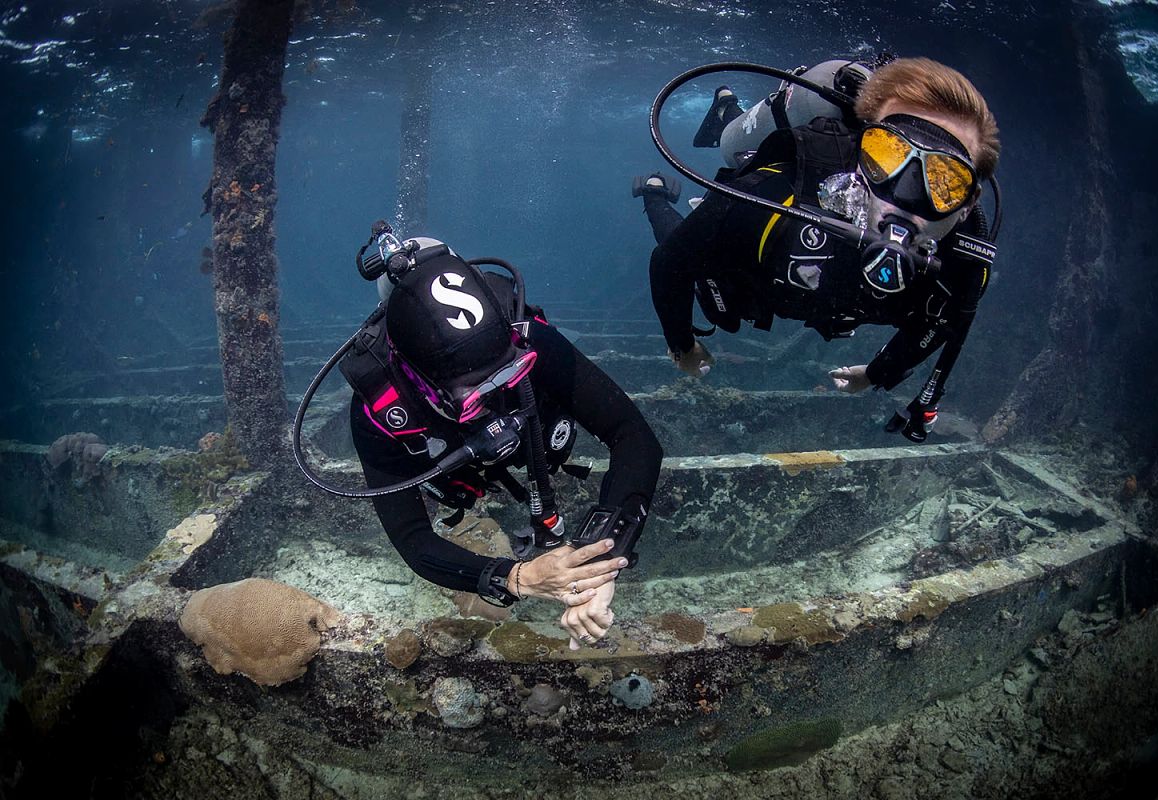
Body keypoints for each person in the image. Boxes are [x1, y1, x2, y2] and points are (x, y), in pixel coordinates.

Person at [635, 57, 1000, 442]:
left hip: (809, 296)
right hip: (749, 279)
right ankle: (656, 192)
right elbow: (671, 262)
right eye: (887, 154)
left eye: (944, 181)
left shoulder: (962, 265)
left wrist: (876, 373)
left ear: (968, 203)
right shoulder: (774, 193)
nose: (905, 196)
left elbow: (938, 326)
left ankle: (728, 109)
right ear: (860, 147)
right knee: (696, 252)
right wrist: (683, 345)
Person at [344, 233, 662, 647]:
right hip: (454, 466)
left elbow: (633, 435)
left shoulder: (526, 335)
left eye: (510, 372)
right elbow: (412, 538)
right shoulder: (379, 408)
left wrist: (601, 561)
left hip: (539, 442)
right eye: (474, 396)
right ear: (421, 381)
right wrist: (518, 578)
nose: (495, 396)